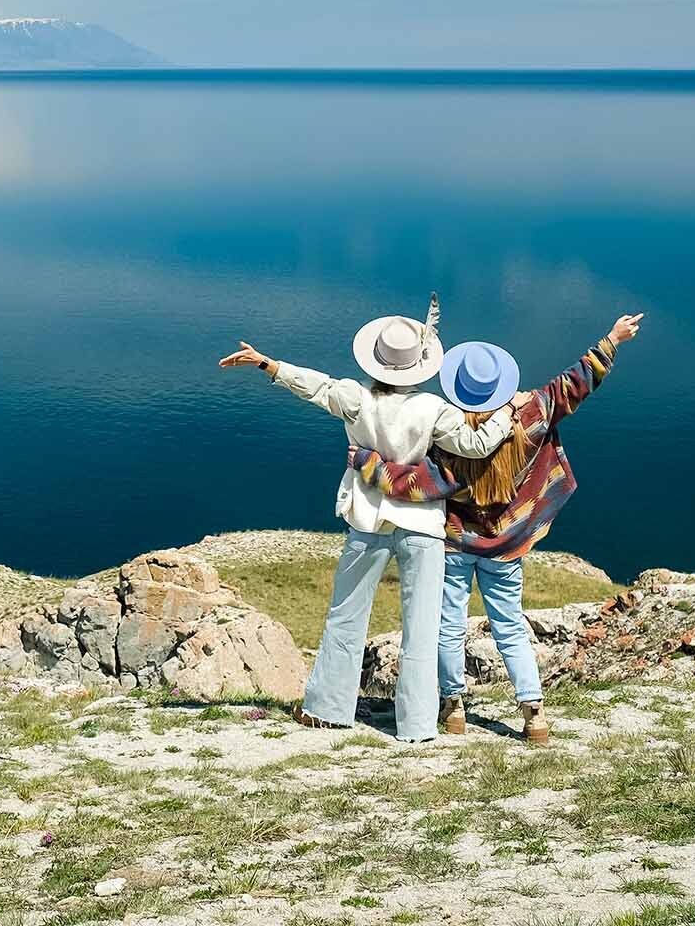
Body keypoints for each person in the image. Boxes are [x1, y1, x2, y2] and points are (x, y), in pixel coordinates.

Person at [219, 294, 516, 743]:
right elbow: (475, 447)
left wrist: (269, 364)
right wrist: (506, 416)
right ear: (420, 364)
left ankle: (327, 710)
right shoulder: (433, 409)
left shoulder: (356, 398)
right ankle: (416, 724)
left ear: (378, 361)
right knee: (422, 624)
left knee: (346, 614)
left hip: (367, 519)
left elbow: (316, 386)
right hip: (422, 525)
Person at [344, 313, 643, 744]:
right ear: (501, 385)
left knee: (449, 625)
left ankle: (454, 706)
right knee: (509, 625)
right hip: (508, 545)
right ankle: (533, 713)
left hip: (456, 543)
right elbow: (574, 383)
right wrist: (613, 339)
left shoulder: (446, 438)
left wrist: (364, 462)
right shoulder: (531, 415)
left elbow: (413, 483)